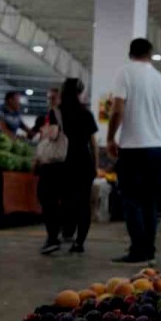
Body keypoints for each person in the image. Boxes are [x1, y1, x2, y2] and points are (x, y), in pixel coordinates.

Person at [105, 38, 161, 265]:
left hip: (132, 148)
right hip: (157, 149)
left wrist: (110, 137)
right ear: (150, 54)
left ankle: (137, 250)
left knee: (131, 200)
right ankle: (149, 249)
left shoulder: (125, 73)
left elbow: (117, 110)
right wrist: (154, 123)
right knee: (150, 202)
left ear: (130, 54)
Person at [36, 78, 99, 255]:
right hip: (83, 163)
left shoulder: (56, 112)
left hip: (59, 163)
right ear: (80, 93)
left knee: (50, 199)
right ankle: (79, 243)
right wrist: (95, 166)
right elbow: (93, 143)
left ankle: (53, 238)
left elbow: (51, 137)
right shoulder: (86, 114)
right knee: (82, 204)